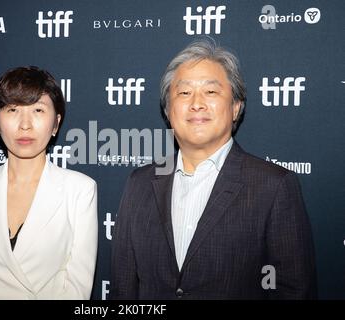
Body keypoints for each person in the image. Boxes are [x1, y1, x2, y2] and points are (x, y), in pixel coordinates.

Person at [110, 40, 317, 299]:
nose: (197, 103)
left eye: (211, 92)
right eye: (184, 93)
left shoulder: (274, 186)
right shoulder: (139, 182)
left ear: (235, 107)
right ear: (168, 110)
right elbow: (123, 288)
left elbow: (294, 291)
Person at [0, 66, 97, 299]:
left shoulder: (80, 190)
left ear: (56, 123)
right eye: (12, 110)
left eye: (38, 110)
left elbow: (76, 289)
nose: (25, 124)